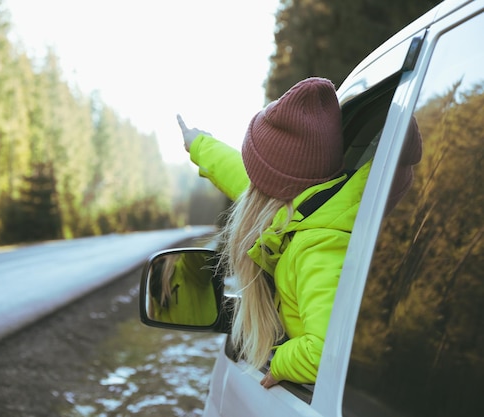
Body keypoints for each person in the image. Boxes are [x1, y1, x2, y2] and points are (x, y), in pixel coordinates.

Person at [176, 77, 421, 389]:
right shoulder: (307, 209)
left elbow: (328, 353)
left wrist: (280, 363)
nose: (249, 185)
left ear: (271, 188)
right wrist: (199, 144)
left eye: (257, 177)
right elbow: (243, 176)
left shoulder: (315, 246)